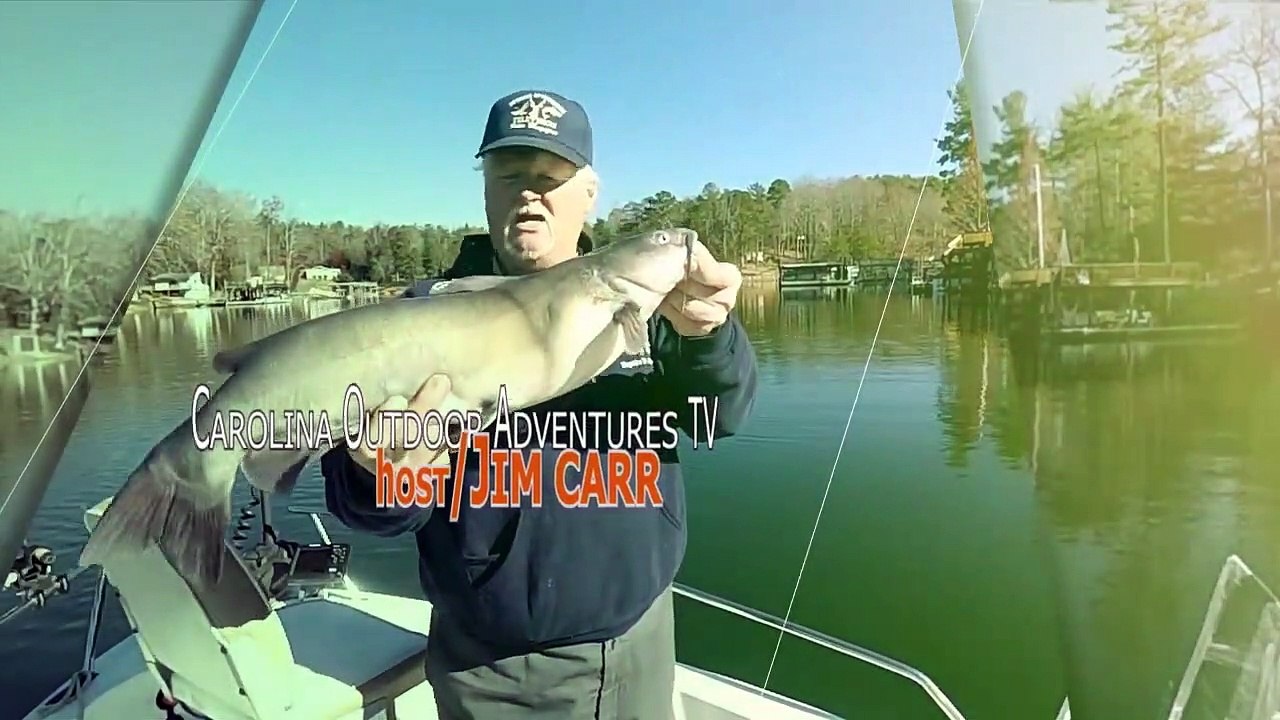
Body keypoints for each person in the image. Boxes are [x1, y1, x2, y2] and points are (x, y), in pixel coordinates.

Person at [319, 89, 759, 720]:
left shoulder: (648, 302)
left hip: (644, 637)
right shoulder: (419, 319)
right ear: (486, 189)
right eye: (510, 174)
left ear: (590, 194)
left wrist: (711, 338)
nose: (531, 192)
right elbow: (366, 507)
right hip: (497, 671)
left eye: (552, 177)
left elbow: (721, 415)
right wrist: (380, 472)